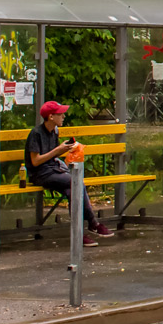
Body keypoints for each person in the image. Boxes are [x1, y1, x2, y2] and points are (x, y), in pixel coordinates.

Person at [26, 101, 114, 244]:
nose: (64, 116)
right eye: (60, 114)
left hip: (53, 170)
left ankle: (79, 234)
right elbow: (35, 161)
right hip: (41, 174)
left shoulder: (54, 131)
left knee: (71, 190)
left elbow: (52, 156)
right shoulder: (36, 134)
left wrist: (67, 150)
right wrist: (58, 151)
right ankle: (93, 223)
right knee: (76, 182)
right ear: (50, 116)